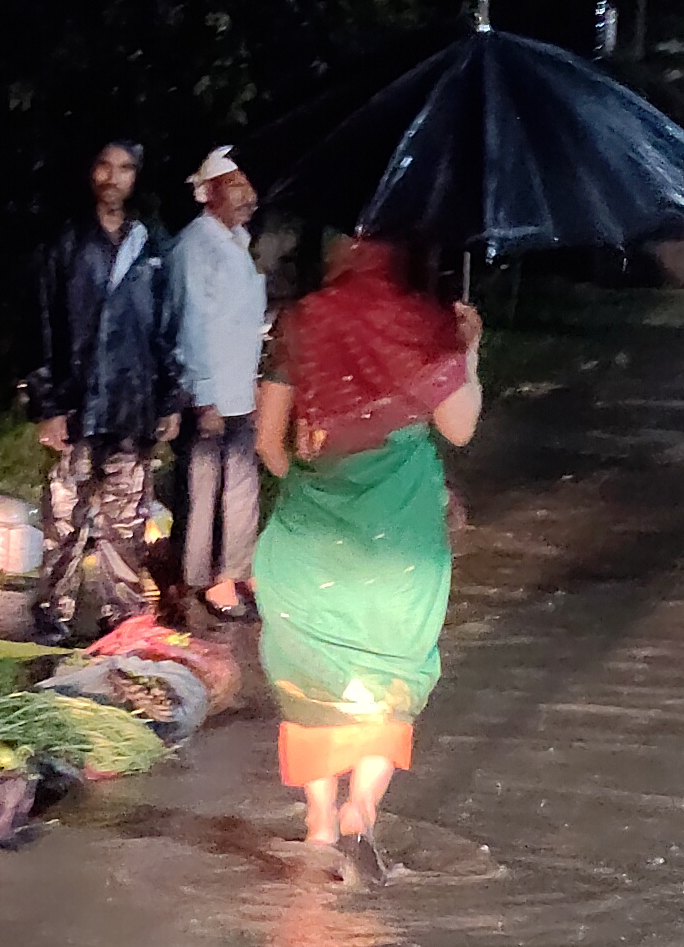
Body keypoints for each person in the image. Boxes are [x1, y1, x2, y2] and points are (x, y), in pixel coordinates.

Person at [254, 236, 482, 887]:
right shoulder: (426, 323)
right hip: (400, 532)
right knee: (391, 674)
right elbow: (460, 428)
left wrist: (315, 489)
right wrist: (467, 350)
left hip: (311, 532)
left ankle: (320, 824)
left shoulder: (301, 320)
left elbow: (269, 444)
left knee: (314, 678)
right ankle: (363, 812)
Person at [23, 137, 184, 639]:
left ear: (137, 177)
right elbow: (42, 324)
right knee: (65, 516)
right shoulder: (65, 241)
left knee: (126, 519)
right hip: (77, 401)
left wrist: (170, 399)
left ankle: (124, 618)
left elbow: (166, 326)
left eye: (125, 168)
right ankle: (52, 611)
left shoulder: (152, 242)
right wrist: (48, 404)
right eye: (105, 166)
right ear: (91, 171)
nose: (113, 177)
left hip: (133, 403)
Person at [170, 146, 269, 619]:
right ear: (209, 192)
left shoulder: (239, 242)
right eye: (235, 186)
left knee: (242, 486)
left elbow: (239, 320)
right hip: (208, 390)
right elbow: (190, 323)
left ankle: (237, 569)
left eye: (249, 186)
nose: (248, 196)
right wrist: (204, 393)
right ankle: (204, 582)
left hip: (239, 387)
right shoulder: (195, 246)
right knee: (203, 489)